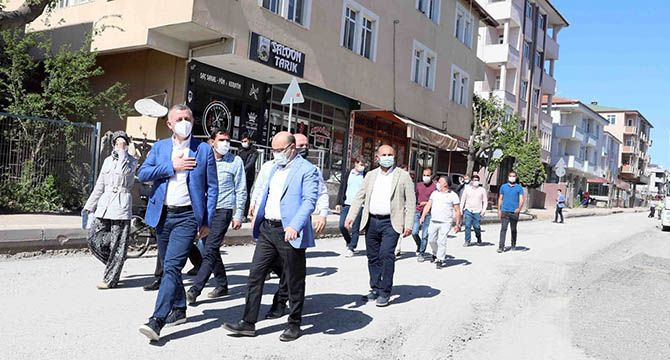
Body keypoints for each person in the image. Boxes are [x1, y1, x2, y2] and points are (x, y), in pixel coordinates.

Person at [223, 132, 319, 342]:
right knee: (255, 274)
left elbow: (309, 201)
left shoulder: (307, 170)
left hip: (289, 231)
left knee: (293, 280)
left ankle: (294, 323)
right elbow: (265, 193)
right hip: (268, 228)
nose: (275, 154)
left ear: (292, 148)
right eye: (273, 150)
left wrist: (295, 225)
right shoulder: (274, 168)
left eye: (279, 150)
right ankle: (248, 323)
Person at [138, 104, 218, 342]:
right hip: (163, 215)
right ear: (170, 124)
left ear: (193, 121)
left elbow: (212, 188)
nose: (184, 121)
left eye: (188, 118)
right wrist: (171, 166)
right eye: (179, 119)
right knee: (168, 264)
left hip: (187, 217)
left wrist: (207, 220)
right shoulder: (161, 147)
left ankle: (157, 320)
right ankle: (180, 308)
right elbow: (143, 173)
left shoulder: (203, 150)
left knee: (172, 267)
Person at [345, 145, 415, 307]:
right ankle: (375, 287)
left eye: (390, 154)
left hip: (391, 222)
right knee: (373, 257)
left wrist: (409, 224)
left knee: (386, 255)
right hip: (371, 221)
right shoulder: (370, 175)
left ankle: (385, 291)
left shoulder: (403, 176)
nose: (387, 157)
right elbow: (359, 197)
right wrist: (351, 217)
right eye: (384, 154)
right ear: (377, 157)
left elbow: (411, 202)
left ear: (394, 157)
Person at [186, 129, 246, 305]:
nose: (225, 143)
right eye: (221, 140)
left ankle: (194, 290)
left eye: (228, 140)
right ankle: (222, 283)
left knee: (210, 248)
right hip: (205, 209)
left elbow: (241, 189)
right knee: (207, 246)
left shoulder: (235, 161)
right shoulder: (203, 159)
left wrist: (238, 215)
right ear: (212, 142)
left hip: (224, 209)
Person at [83, 130, 138, 289]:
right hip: (105, 206)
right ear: (113, 144)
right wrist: (89, 206)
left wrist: (122, 153)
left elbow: (123, 172)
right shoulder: (107, 161)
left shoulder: (131, 161)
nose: (120, 145)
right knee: (94, 238)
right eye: (117, 142)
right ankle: (116, 261)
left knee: (117, 243)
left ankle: (110, 279)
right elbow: (100, 184)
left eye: (123, 142)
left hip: (121, 205)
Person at [420, 177, 461, 268]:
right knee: (431, 239)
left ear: (445, 184)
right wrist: (423, 216)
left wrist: (457, 224)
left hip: (446, 222)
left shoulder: (453, 195)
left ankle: (440, 259)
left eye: (439, 182)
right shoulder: (434, 194)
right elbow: (428, 206)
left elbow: (457, 211)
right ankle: (435, 253)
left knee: (442, 241)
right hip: (433, 220)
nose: (437, 183)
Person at [336, 158, 367, 257]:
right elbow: (342, 188)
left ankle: (351, 247)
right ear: (356, 164)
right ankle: (349, 240)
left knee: (355, 228)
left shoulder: (365, 175)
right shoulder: (348, 174)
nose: (362, 166)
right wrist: (339, 202)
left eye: (364, 164)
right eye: (361, 164)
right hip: (347, 203)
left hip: (359, 205)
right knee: (342, 225)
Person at [413, 168, 436, 262]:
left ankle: (421, 253)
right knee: (414, 232)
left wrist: (426, 203)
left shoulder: (434, 187)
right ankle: (419, 244)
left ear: (431, 176)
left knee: (425, 235)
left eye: (428, 175)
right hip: (418, 211)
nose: (425, 177)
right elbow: (416, 196)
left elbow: (436, 200)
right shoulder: (418, 185)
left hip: (429, 213)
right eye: (424, 175)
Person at [497, 171, 524, 253]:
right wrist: (499, 210)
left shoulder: (519, 188)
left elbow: (521, 199)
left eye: (514, 176)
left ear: (516, 177)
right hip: (505, 210)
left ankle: (513, 244)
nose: (512, 177)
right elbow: (500, 198)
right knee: (503, 229)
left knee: (513, 229)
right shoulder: (503, 187)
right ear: (508, 177)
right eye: (510, 176)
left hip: (514, 211)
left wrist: (519, 208)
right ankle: (501, 246)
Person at [460, 174, 487, 246]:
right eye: (474, 180)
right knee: (467, 225)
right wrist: (461, 209)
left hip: (477, 211)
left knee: (476, 226)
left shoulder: (482, 190)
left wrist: (483, 210)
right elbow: (463, 200)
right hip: (468, 210)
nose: (476, 182)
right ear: (471, 181)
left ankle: (478, 237)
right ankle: (467, 240)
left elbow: (485, 201)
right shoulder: (467, 190)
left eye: (477, 180)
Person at [239, 134, 259, 220]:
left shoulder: (254, 151)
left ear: (249, 141)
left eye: (245, 141)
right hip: (239, 174)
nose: (244, 143)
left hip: (248, 175)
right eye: (242, 141)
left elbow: (251, 163)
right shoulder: (240, 150)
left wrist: (243, 169)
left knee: (246, 194)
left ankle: (244, 214)